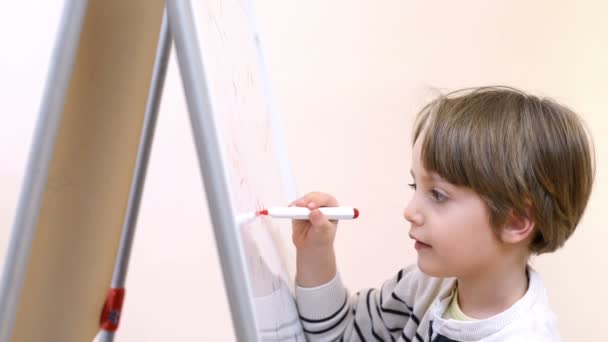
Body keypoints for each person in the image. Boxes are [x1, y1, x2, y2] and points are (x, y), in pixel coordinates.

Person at [292, 86, 594, 341]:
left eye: (438, 194)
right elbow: (343, 335)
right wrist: (316, 250)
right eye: (415, 185)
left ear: (515, 220)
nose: (410, 211)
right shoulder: (426, 283)